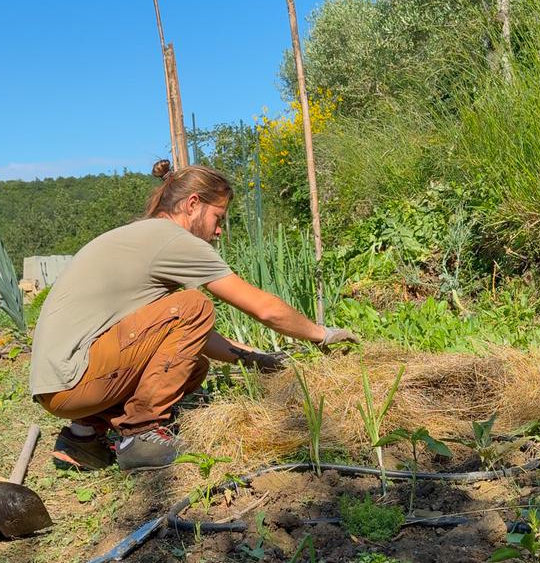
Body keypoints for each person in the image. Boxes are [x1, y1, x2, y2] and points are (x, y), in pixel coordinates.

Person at [30, 160, 357, 472]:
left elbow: (190, 337)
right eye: (219, 218)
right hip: (76, 378)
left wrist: (258, 359)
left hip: (59, 385)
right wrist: (322, 334)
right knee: (195, 305)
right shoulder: (173, 239)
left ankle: (83, 436)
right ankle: (141, 435)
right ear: (193, 204)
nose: (219, 232)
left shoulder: (143, 236)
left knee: (193, 366)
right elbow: (264, 309)